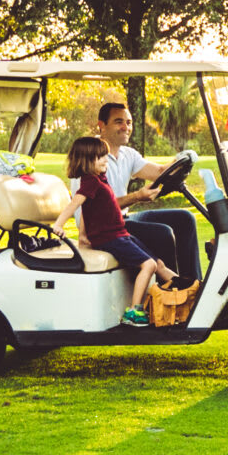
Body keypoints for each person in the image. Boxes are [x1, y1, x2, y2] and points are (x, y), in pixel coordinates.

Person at [89, 100, 201, 285]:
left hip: (124, 219)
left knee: (185, 218)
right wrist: (137, 197)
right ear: (102, 126)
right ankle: (172, 295)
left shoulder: (127, 154)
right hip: (104, 228)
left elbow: (159, 172)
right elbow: (96, 210)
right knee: (162, 233)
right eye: (119, 122)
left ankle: (192, 286)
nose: (126, 127)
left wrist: (182, 159)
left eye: (129, 122)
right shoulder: (89, 155)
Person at [65, 136, 173, 327]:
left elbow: (90, 208)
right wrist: (65, 227)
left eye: (105, 156)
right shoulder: (90, 182)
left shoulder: (100, 178)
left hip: (118, 231)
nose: (105, 159)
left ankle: (190, 290)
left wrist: (83, 236)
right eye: (101, 157)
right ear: (88, 160)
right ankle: (134, 311)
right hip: (109, 235)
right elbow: (78, 206)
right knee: (151, 259)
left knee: (159, 263)